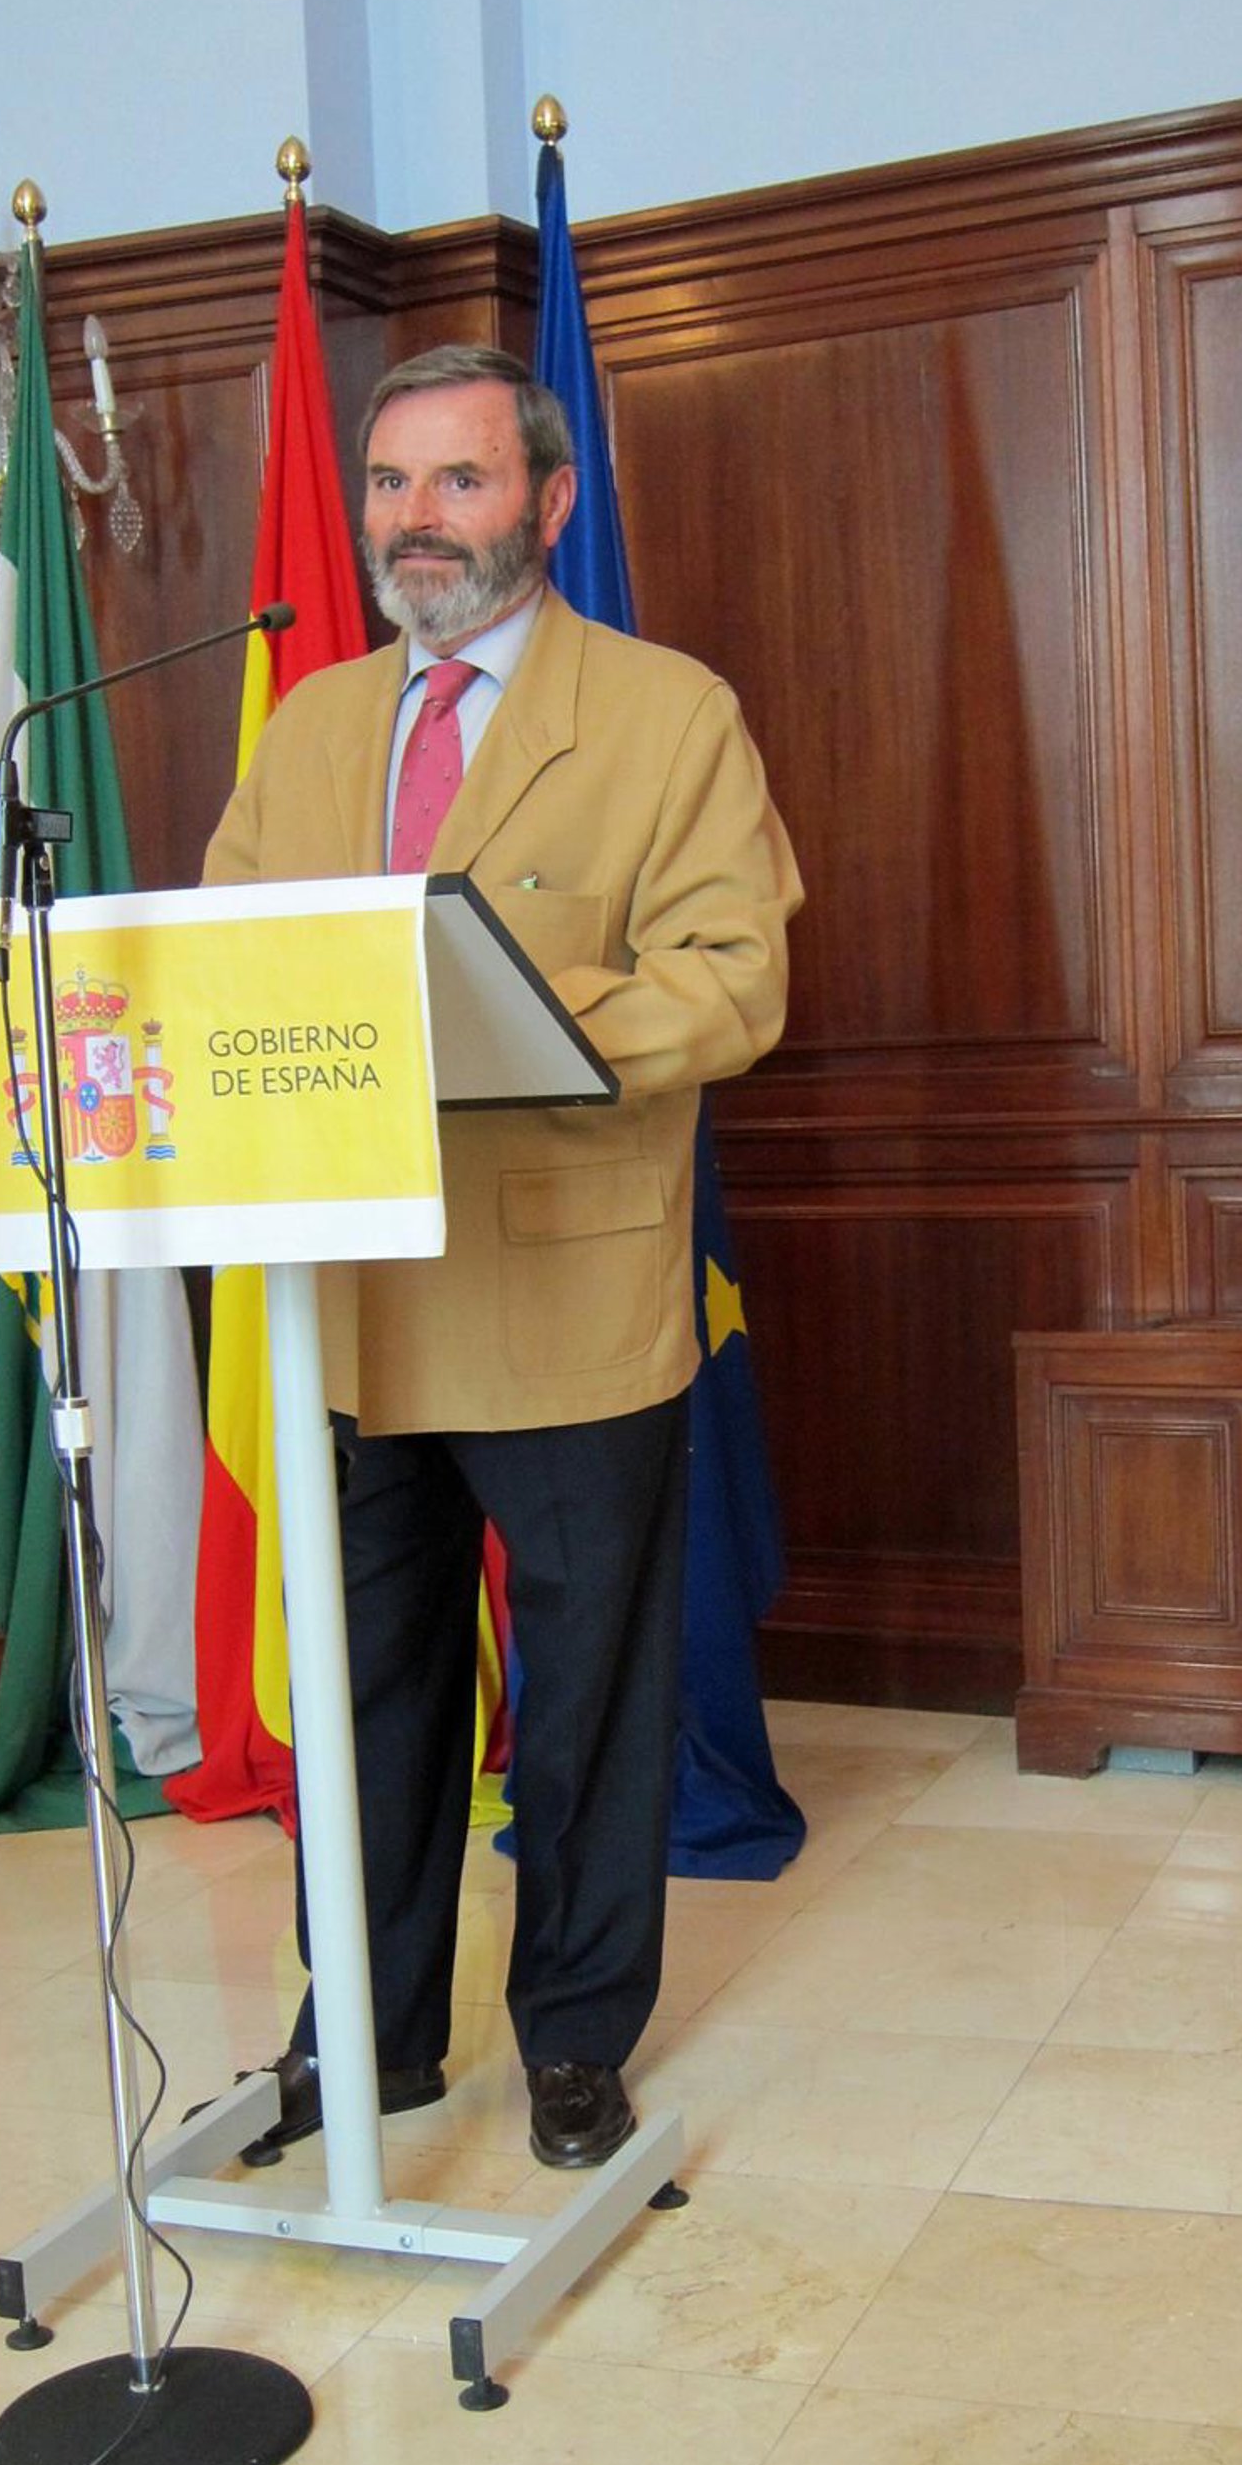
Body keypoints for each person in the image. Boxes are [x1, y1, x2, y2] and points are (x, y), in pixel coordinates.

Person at [201, 344, 802, 2168]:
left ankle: (574, 2038)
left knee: (585, 1705)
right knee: (369, 1695)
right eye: (390, 484)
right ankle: (367, 2038)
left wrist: (507, 1021)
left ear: (547, 499)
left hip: (565, 1289)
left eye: (458, 481)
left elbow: (734, 979)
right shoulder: (314, 725)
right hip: (349, 1304)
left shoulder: (667, 713)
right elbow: (230, 957)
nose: (416, 521)